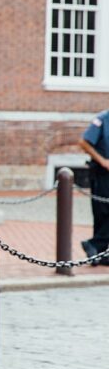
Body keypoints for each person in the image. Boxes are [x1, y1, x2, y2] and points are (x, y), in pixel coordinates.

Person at [79, 109, 109, 265]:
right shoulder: (102, 119)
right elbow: (84, 142)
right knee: (102, 212)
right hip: (102, 174)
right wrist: (103, 161)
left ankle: (99, 252)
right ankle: (96, 247)